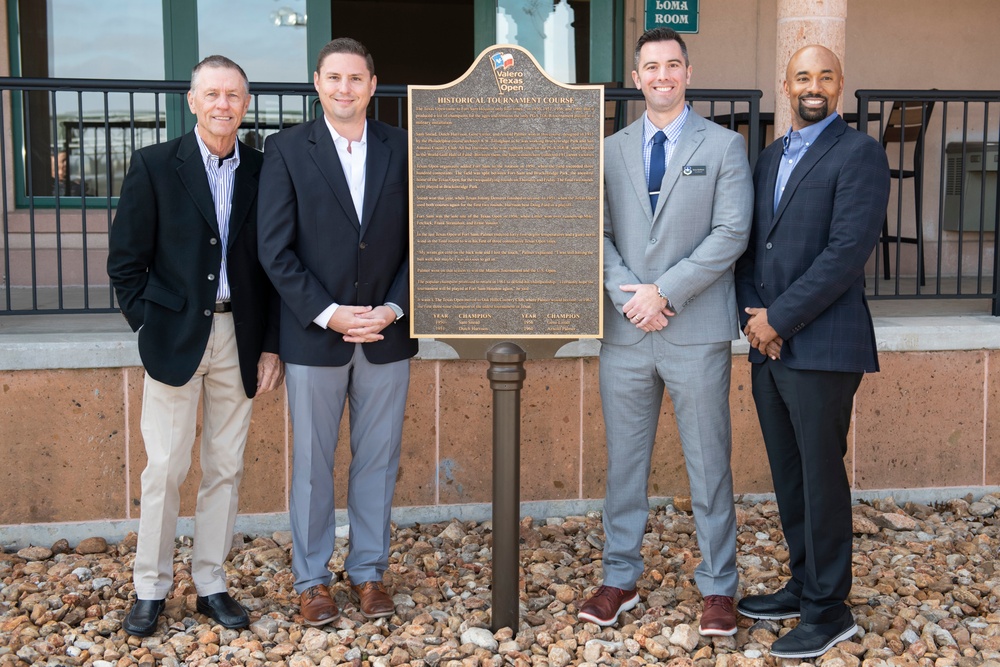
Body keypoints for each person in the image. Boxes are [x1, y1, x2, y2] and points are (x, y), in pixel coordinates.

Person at [577, 27, 752, 635]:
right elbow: (593, 233)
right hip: (626, 331)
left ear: (688, 71)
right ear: (636, 75)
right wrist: (633, 297)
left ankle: (718, 587)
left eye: (672, 66)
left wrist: (664, 292)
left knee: (709, 463)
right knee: (624, 463)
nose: (661, 76)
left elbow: (731, 233)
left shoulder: (725, 146)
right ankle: (618, 578)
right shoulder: (610, 148)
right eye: (650, 67)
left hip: (694, 328)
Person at [107, 55, 283, 637]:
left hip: (242, 336)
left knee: (225, 468)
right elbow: (126, 263)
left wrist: (272, 344)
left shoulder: (265, 168)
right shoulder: (155, 165)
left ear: (245, 103)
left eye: (233, 95)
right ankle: (150, 588)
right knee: (164, 467)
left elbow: (277, 264)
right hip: (175, 337)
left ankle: (211, 583)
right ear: (192, 100)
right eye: (211, 93)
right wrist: (146, 324)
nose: (222, 104)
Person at [734, 45, 890, 660]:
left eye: (825, 76)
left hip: (822, 346)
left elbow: (846, 254)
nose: (814, 85)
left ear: (841, 84)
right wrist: (754, 320)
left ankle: (830, 610)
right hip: (767, 346)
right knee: (790, 474)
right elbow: (752, 250)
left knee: (822, 477)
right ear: (786, 84)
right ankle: (804, 584)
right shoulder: (770, 156)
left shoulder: (860, 154)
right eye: (804, 76)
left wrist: (780, 319)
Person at [257, 37, 417, 626]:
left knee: (377, 460)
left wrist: (393, 308)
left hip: (387, 334)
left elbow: (423, 240)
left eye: (356, 78)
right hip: (316, 337)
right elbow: (274, 250)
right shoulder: (286, 150)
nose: (344, 88)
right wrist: (329, 312)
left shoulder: (403, 147)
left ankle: (370, 574)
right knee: (312, 465)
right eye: (334, 78)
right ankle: (313, 581)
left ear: (372, 85)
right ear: (318, 84)